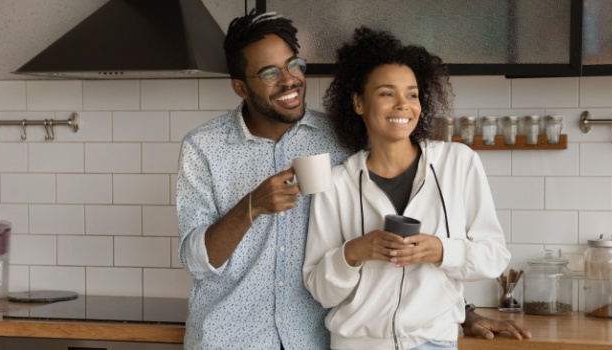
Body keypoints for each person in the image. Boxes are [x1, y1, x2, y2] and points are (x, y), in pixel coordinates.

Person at [177, 10, 529, 350]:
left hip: (310, 339)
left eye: (294, 65)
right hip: (230, 337)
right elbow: (197, 260)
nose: (289, 80)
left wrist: (461, 311)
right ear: (240, 87)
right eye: (269, 73)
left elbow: (415, 213)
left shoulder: (338, 138)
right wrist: (251, 207)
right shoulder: (204, 147)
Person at [302, 27, 527, 350]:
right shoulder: (337, 183)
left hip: (433, 341)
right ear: (358, 102)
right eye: (386, 93)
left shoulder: (458, 163)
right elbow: (321, 290)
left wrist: (441, 250)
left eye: (412, 94)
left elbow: (494, 256)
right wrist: (354, 253)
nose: (403, 104)